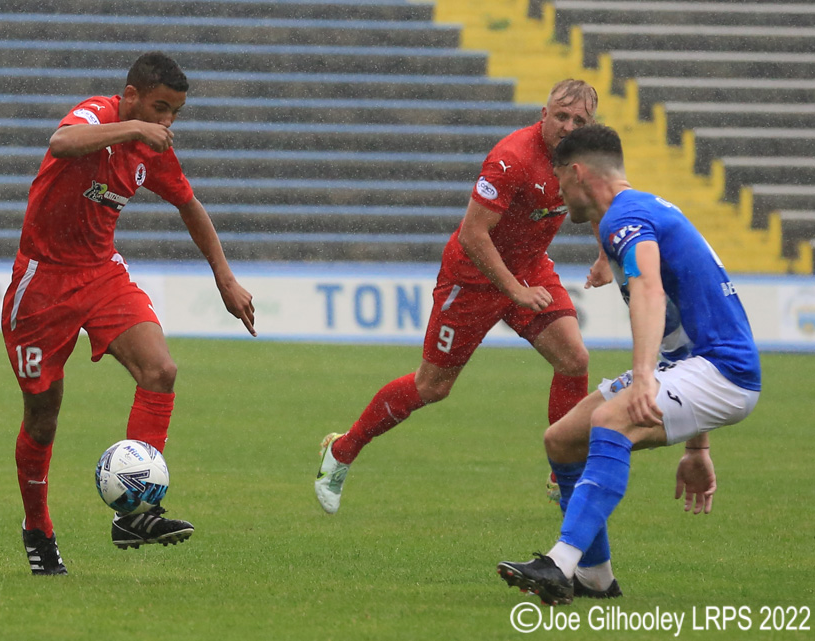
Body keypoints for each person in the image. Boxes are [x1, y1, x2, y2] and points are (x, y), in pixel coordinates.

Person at [1, 52, 256, 575]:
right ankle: (37, 528)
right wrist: (133, 127)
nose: (165, 122)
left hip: (100, 274)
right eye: (159, 108)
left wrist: (225, 278)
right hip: (42, 283)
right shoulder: (98, 114)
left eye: (174, 113)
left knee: (160, 370)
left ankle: (135, 514)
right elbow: (61, 142)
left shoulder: (151, 149)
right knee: (43, 419)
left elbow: (189, 205)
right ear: (131, 95)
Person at [315, 79, 613, 514]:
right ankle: (342, 450)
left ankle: (562, 474)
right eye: (561, 116)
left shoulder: (585, 156)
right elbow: (474, 234)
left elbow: (598, 201)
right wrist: (513, 290)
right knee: (432, 387)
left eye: (579, 120)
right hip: (472, 279)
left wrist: (605, 254)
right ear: (543, 114)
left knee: (575, 361)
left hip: (529, 268)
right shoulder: (511, 159)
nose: (568, 126)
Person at [496, 124, 761, 605]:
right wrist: (697, 448)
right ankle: (594, 577)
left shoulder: (626, 219)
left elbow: (649, 289)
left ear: (577, 174)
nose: (557, 193)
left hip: (725, 373)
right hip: (699, 365)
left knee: (610, 421)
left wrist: (643, 379)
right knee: (563, 438)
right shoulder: (637, 211)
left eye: (558, 181)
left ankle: (559, 563)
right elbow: (680, 330)